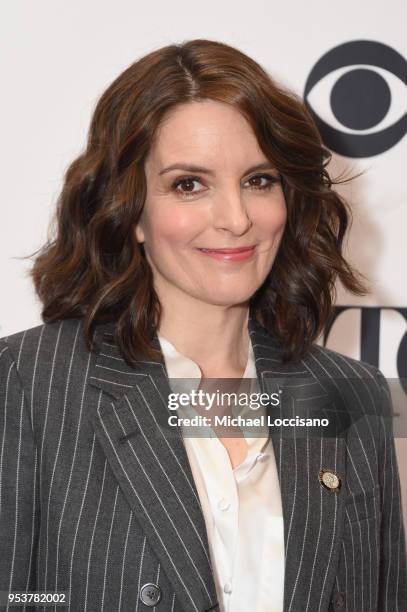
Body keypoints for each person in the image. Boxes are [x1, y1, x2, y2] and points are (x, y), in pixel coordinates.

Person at [0, 39, 405, 612]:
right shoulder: (26, 384)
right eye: (189, 184)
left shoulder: (349, 395)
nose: (236, 219)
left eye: (258, 180)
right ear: (131, 208)